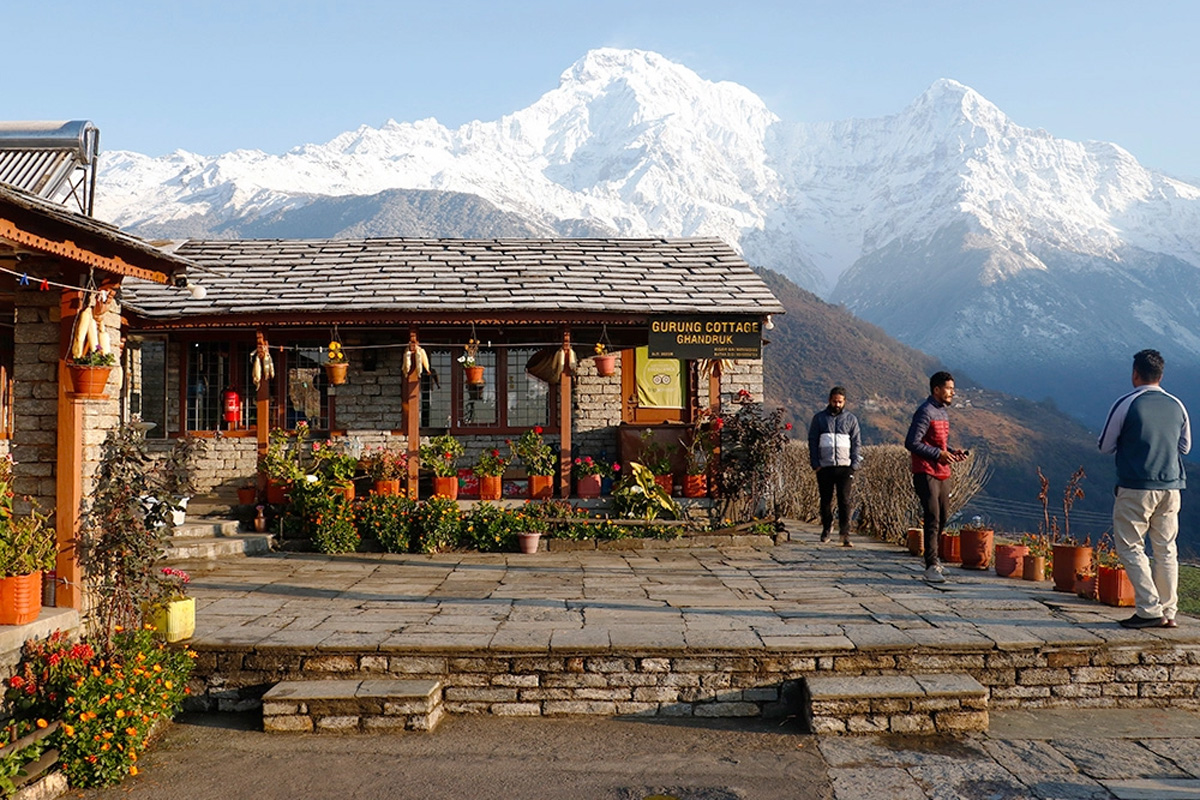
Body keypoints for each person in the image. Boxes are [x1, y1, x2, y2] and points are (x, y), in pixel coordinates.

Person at [1097, 349, 1191, 629]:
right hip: (1172, 487)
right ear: (1161, 375)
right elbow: (1185, 447)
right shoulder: (1177, 405)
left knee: (1130, 546)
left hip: (1136, 485)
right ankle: (1169, 611)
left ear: (1135, 374)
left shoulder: (1126, 403)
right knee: (1166, 549)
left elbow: (1105, 446)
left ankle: (1149, 609)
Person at [905, 371, 968, 583]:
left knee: (942, 516)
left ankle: (936, 561)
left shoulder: (942, 412)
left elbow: (936, 443)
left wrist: (949, 452)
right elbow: (912, 442)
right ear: (937, 390)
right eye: (949, 389)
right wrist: (937, 455)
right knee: (932, 516)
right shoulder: (925, 412)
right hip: (925, 471)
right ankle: (930, 565)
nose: (952, 392)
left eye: (952, 388)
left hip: (942, 471)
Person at [808, 386, 862, 546]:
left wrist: (854, 464)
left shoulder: (851, 419)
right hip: (825, 466)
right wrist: (815, 463)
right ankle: (826, 528)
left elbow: (856, 442)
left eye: (840, 402)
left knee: (844, 500)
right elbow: (812, 441)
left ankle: (845, 534)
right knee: (825, 500)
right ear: (829, 400)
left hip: (845, 467)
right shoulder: (819, 419)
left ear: (844, 402)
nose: (837, 404)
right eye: (834, 401)